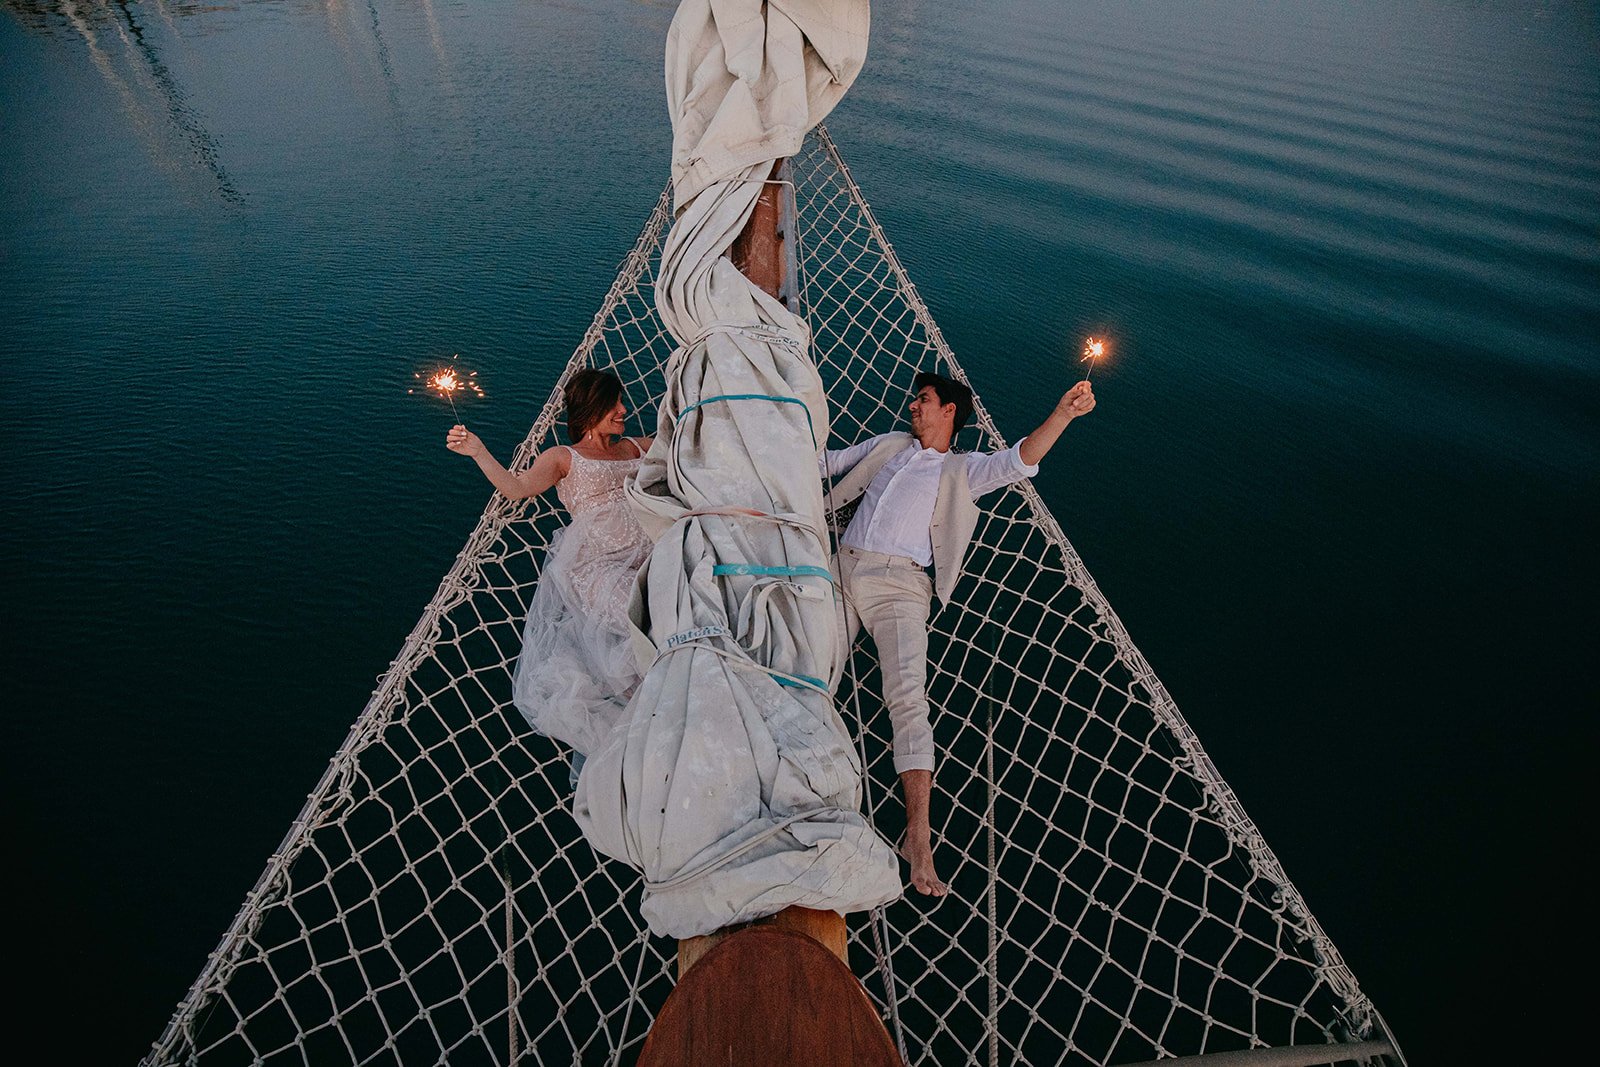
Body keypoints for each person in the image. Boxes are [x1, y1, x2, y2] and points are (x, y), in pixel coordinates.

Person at [822, 371, 1096, 896]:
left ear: (949, 410)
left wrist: (1062, 414)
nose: (912, 407)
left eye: (922, 400)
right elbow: (829, 464)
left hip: (900, 587)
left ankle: (918, 838)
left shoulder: (963, 471)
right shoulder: (889, 445)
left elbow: (1020, 461)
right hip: (838, 567)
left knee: (907, 702)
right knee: (809, 671)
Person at [446, 369, 654, 776]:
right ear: (591, 408)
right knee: (645, 617)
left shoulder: (633, 448)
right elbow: (516, 488)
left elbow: (683, 442)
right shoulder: (563, 457)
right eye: (614, 404)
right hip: (597, 568)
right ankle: (651, 715)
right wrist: (477, 450)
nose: (623, 410)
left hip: (650, 554)